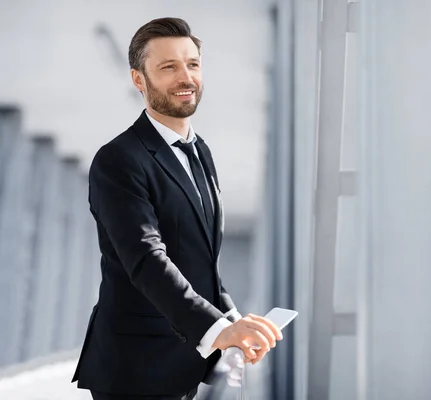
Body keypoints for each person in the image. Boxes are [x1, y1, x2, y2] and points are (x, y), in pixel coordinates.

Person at [71, 17, 282, 400]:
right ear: (139, 80)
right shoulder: (119, 159)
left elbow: (201, 262)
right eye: (168, 67)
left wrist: (232, 322)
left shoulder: (200, 151)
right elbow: (146, 260)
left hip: (182, 361)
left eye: (193, 64)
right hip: (137, 368)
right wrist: (218, 331)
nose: (186, 77)